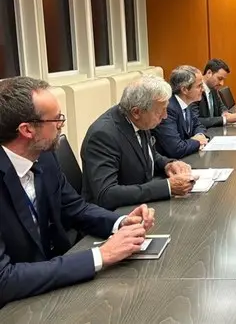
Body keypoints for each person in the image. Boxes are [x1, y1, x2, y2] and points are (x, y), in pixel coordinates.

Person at [0, 76, 155, 307]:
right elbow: (4, 280)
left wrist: (121, 222)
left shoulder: (45, 157)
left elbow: (75, 208)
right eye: (56, 119)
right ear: (27, 129)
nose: (61, 125)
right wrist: (101, 255)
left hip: (54, 284)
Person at [81, 75, 194, 210]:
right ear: (136, 112)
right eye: (160, 112)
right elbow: (107, 194)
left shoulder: (138, 120)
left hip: (140, 206)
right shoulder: (103, 135)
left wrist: (168, 164)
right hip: (114, 215)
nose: (165, 116)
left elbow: (147, 154)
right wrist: (167, 186)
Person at [152, 65, 209, 158]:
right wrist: (197, 142)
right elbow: (176, 148)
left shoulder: (186, 103)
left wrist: (200, 135)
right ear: (184, 89)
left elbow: (198, 125)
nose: (203, 89)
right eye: (199, 86)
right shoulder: (168, 108)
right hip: (169, 163)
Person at [189, 59, 236, 128]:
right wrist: (224, 119)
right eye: (220, 78)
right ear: (209, 73)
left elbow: (221, 106)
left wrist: (225, 113)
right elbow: (194, 121)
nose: (222, 83)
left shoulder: (213, 88)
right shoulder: (194, 91)